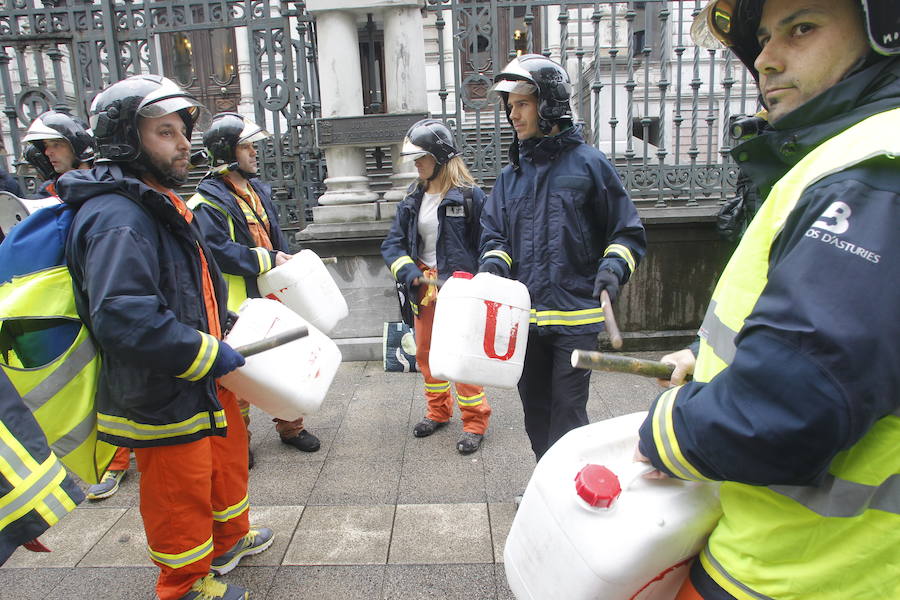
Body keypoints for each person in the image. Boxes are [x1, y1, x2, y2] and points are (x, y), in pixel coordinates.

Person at [637, 1, 900, 599]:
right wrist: (710, 364)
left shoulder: (874, 174)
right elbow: (829, 343)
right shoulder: (849, 160)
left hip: (801, 574)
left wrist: (667, 430)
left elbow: (793, 408)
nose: (766, 59)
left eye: (801, 29)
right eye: (762, 38)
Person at [60, 74, 273, 600]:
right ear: (126, 141)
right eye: (164, 132)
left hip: (196, 371)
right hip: (162, 388)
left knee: (219, 466)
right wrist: (207, 350)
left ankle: (227, 542)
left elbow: (183, 285)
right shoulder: (118, 216)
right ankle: (182, 586)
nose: (183, 144)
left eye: (182, 130)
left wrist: (222, 326)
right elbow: (124, 318)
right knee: (179, 492)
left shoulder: (152, 199)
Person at [480, 54, 646, 461]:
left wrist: (613, 268)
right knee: (534, 410)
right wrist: (493, 265)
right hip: (526, 319)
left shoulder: (590, 164)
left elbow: (626, 231)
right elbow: (495, 235)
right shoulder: (510, 177)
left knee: (568, 413)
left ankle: (569, 487)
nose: (513, 114)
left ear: (548, 103)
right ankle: (546, 484)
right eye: (510, 106)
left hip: (576, 317)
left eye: (522, 103)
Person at [188, 112, 321, 464]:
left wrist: (284, 264)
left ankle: (291, 427)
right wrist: (270, 259)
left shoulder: (256, 190)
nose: (254, 152)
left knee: (287, 361)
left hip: (270, 293)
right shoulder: (206, 203)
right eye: (246, 146)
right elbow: (220, 253)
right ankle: (240, 440)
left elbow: (273, 237)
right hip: (239, 301)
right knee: (240, 375)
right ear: (226, 153)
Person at [381, 118, 493, 454]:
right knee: (427, 353)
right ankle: (438, 412)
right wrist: (407, 271)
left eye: (421, 158)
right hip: (424, 290)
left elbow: (488, 243)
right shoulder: (414, 197)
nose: (416, 164)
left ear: (440, 157)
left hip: (459, 292)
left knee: (461, 358)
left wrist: (478, 278)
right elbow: (392, 244)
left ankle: (475, 422)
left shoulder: (471, 198)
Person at [20, 110, 94, 197]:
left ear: (78, 146)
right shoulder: (48, 193)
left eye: (56, 145)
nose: (47, 152)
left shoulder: (105, 185)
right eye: (46, 145)